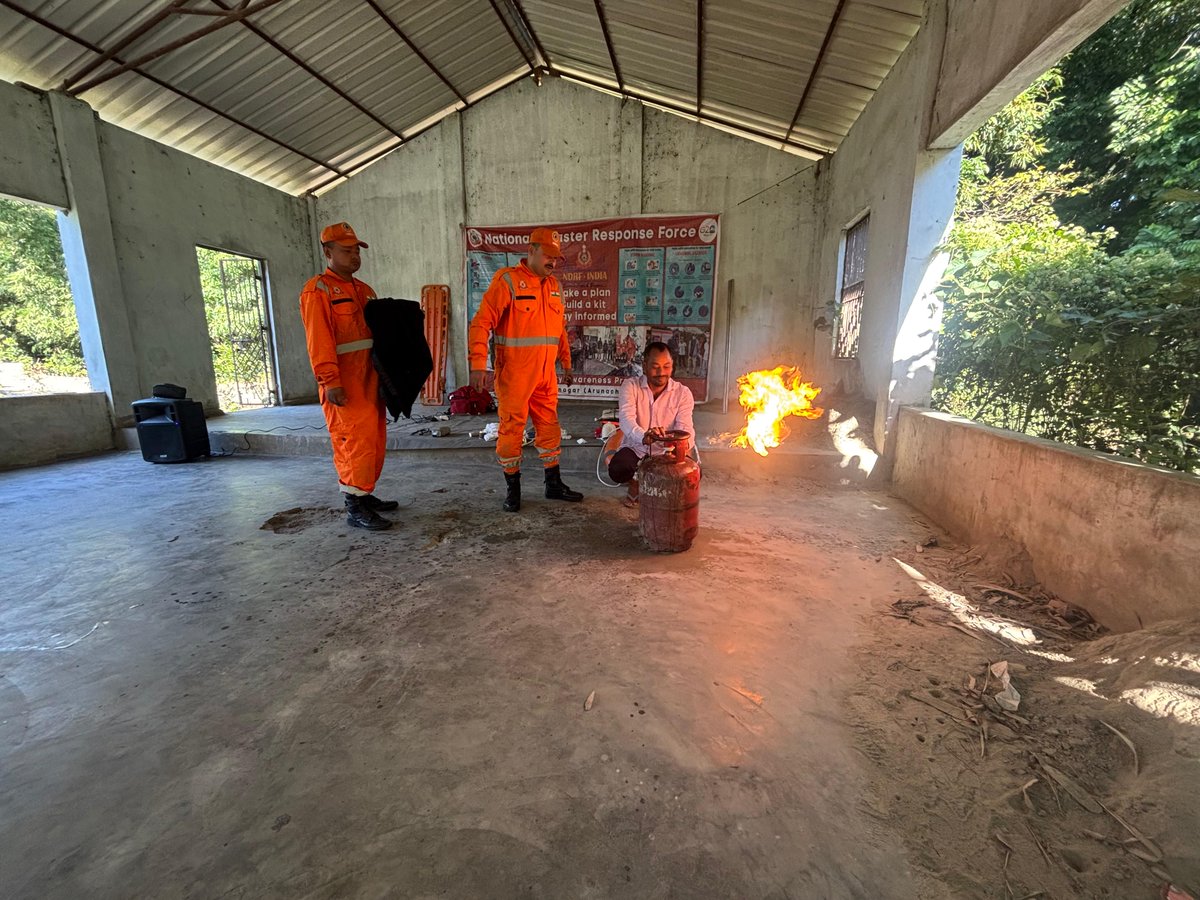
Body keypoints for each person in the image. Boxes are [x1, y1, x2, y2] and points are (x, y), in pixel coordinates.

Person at [468, 226, 583, 512]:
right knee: (512, 431)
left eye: (556, 258)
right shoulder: (507, 281)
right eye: (548, 255)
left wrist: (566, 364)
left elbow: (559, 331)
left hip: (545, 375)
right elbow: (481, 323)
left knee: (549, 428)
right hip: (515, 375)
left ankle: (553, 484)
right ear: (530, 251)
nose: (552, 262)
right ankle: (513, 488)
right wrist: (477, 364)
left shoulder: (554, 286)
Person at [299, 222, 395, 531]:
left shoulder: (364, 290)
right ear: (328, 252)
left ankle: (365, 494)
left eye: (356, 251)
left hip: (370, 377)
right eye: (346, 251)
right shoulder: (318, 291)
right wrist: (331, 382)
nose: (354, 256)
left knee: (373, 440)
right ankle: (354, 505)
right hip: (344, 382)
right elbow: (319, 340)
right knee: (352, 441)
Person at [609, 342, 696, 507]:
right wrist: (643, 436)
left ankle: (651, 485)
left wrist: (678, 446)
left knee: (691, 476)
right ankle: (635, 481)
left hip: (668, 451)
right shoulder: (630, 386)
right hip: (637, 448)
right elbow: (626, 420)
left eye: (666, 366)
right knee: (618, 469)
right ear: (644, 365)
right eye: (655, 366)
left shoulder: (683, 393)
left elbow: (686, 427)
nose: (661, 373)